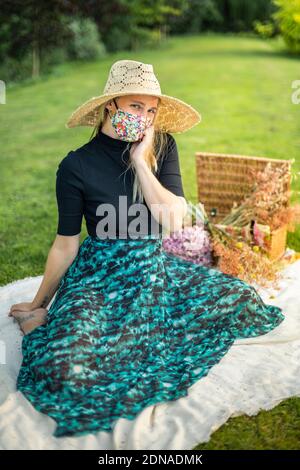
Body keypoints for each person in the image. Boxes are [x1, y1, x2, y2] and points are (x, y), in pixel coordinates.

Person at [8, 60, 285, 438]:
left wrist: (141, 162)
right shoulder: (76, 166)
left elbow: (174, 221)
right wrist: (41, 301)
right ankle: (39, 324)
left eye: (151, 110)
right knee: (65, 371)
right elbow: (65, 243)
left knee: (240, 300)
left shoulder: (163, 146)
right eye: (135, 106)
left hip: (154, 270)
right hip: (99, 275)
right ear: (111, 106)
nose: (144, 116)